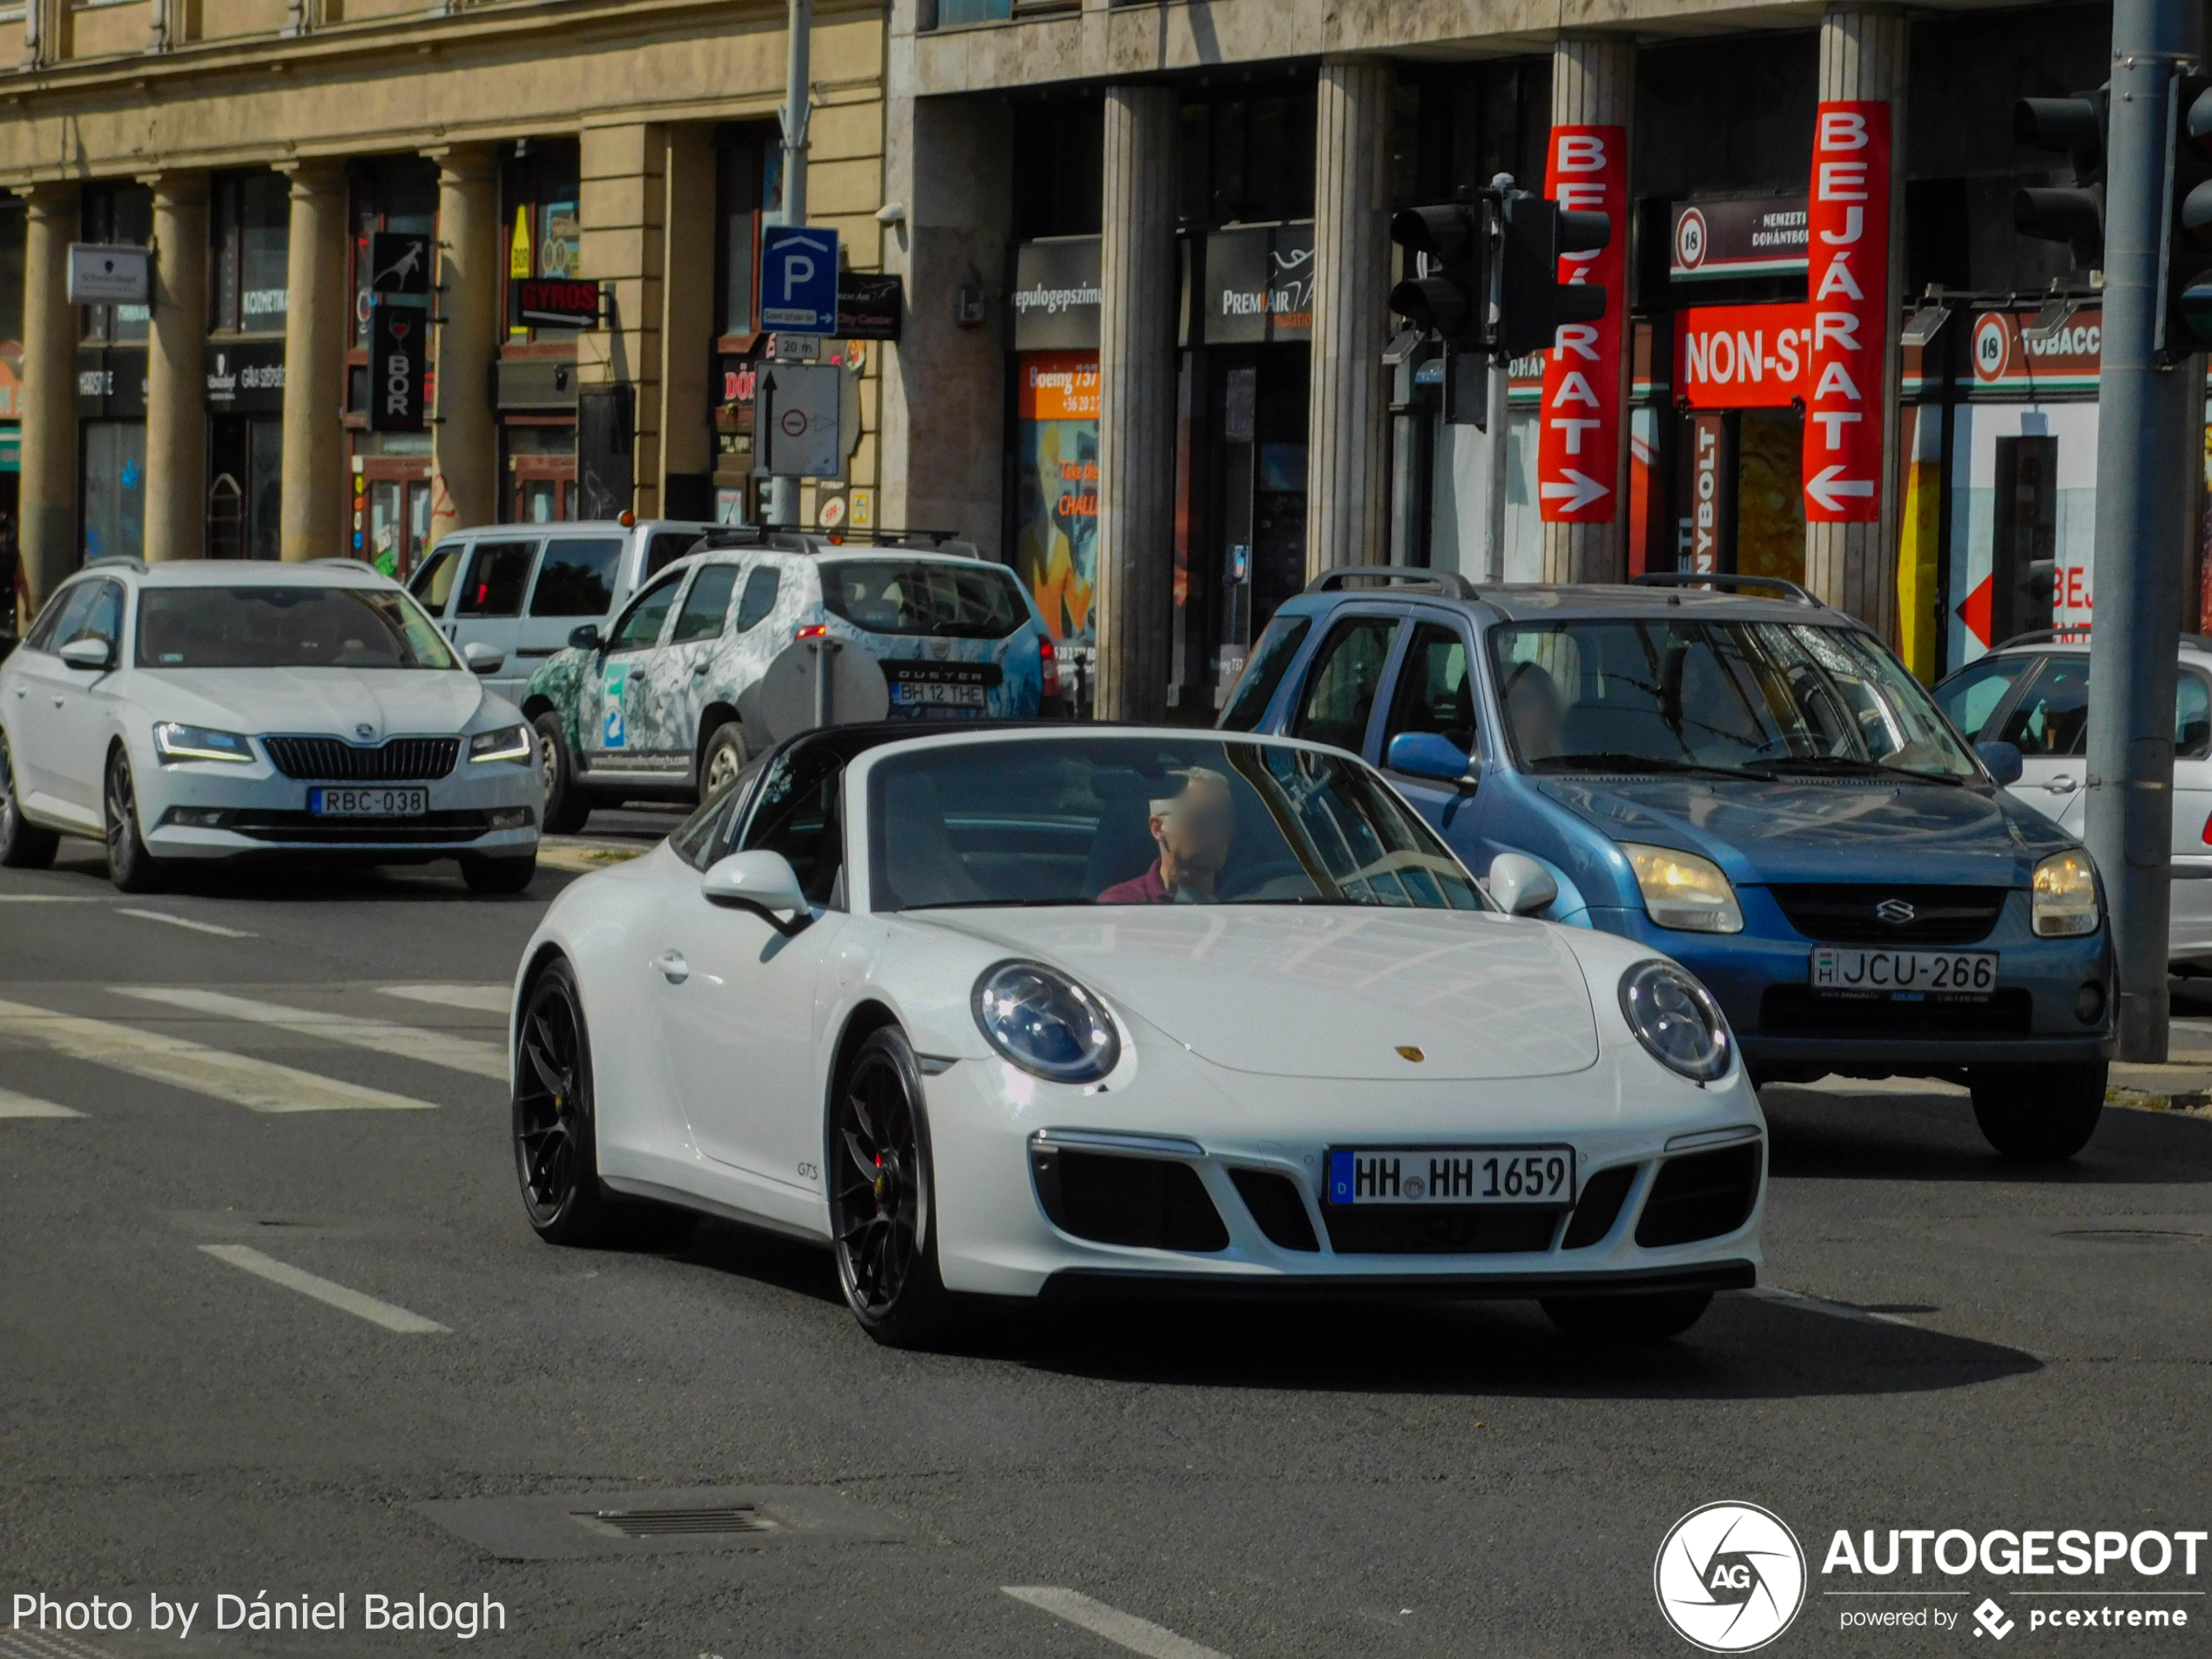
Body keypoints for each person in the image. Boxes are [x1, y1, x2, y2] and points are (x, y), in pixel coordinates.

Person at [1096, 767, 1234, 903]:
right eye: (1201, 819)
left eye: (1224, 818)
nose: (1218, 831)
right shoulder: (1122, 906)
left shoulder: (1246, 897)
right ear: (1157, 828)